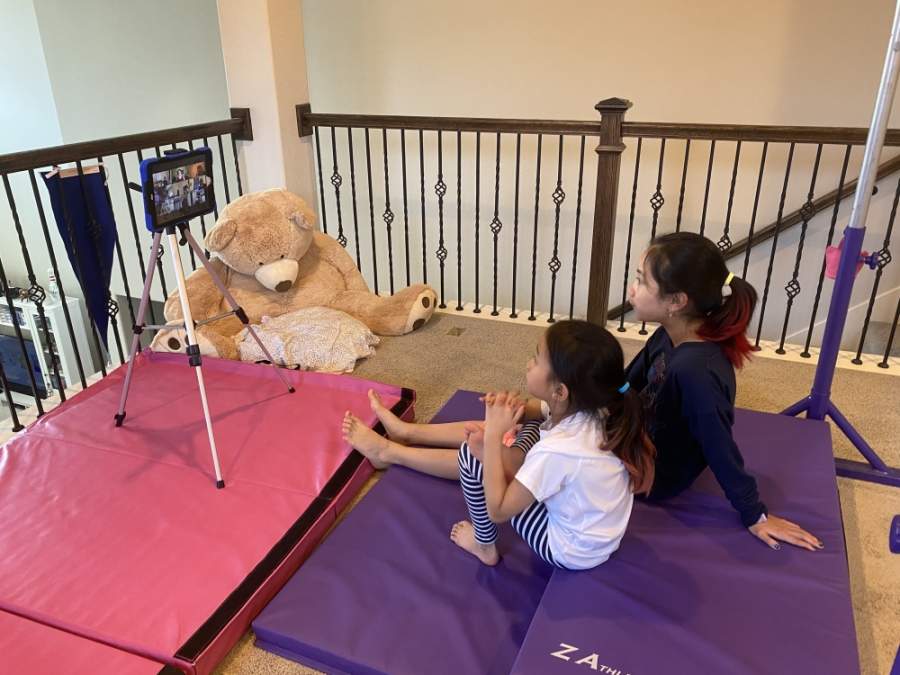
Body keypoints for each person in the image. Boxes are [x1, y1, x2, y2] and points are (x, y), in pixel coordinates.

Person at [342, 320, 655, 569]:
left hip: (568, 550)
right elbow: (539, 411)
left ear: (560, 391)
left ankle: (484, 546)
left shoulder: (560, 450)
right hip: (596, 534)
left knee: (471, 453)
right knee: (522, 424)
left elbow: (500, 510)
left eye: (536, 358)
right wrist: (511, 409)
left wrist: (492, 441)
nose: (528, 362)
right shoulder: (597, 407)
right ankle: (408, 433)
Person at [625, 232, 823, 552]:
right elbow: (626, 383)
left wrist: (754, 513)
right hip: (635, 433)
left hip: (653, 475)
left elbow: (718, 445)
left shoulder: (694, 371)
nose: (632, 289)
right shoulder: (667, 335)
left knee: (543, 454)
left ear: (676, 301)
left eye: (641, 281)